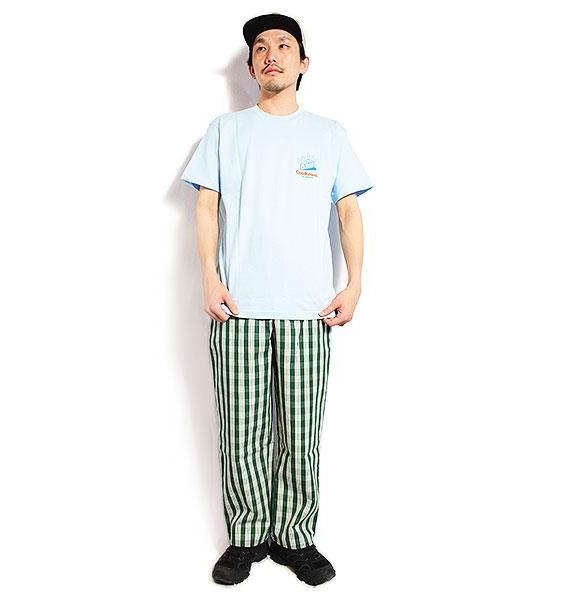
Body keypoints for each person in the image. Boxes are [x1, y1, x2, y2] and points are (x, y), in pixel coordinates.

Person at [180, 12, 374, 586]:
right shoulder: (225, 131)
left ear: (303, 62)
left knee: (301, 434)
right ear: (250, 67)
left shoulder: (328, 134)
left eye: (284, 45)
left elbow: (348, 211)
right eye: (260, 48)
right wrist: (210, 278)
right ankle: (246, 536)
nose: (271, 54)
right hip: (237, 309)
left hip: (309, 312)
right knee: (241, 430)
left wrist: (355, 283)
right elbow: (206, 206)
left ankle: (295, 537)